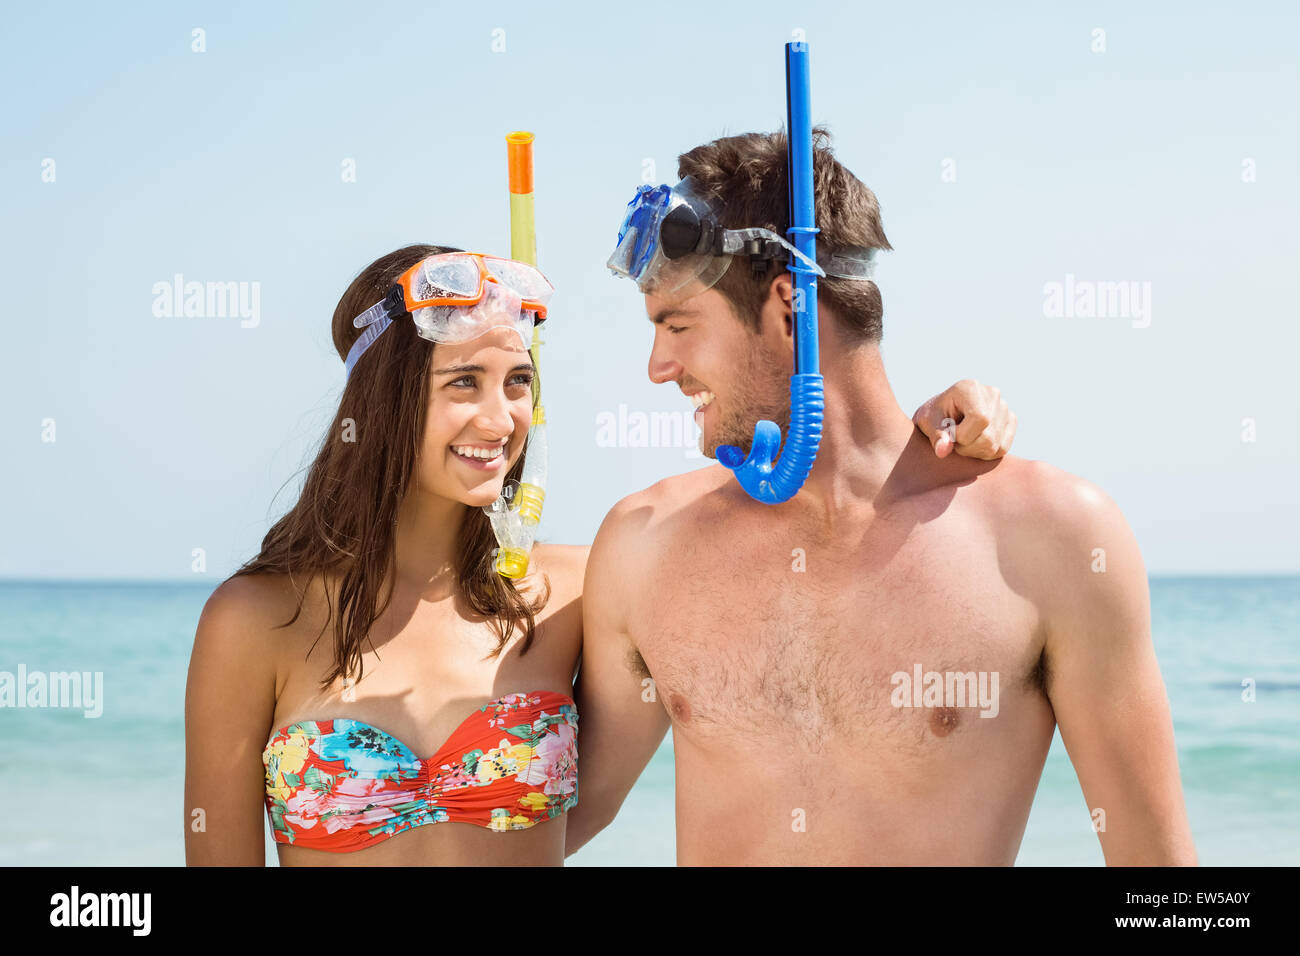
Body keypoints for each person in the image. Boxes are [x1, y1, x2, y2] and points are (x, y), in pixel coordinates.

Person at [183, 241, 1017, 866]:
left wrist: (929, 428)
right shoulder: (257, 621)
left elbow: (801, 541)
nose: (501, 418)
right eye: (462, 383)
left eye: (517, 382)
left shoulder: (579, 590)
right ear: (385, 402)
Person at [566, 129, 1197, 866]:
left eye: (676, 325)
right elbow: (561, 820)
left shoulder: (1050, 537)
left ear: (789, 308)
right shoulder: (645, 544)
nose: (658, 367)